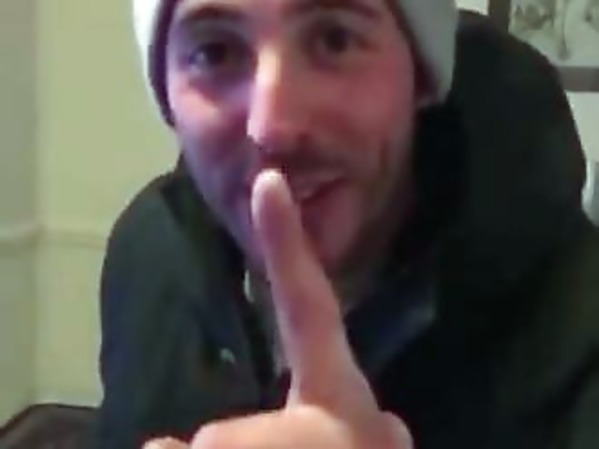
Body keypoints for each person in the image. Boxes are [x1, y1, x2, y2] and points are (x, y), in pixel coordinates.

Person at [96, 0, 599, 448]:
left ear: (422, 74)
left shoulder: (580, 324)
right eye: (215, 52)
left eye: (335, 39)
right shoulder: (151, 254)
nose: (271, 128)